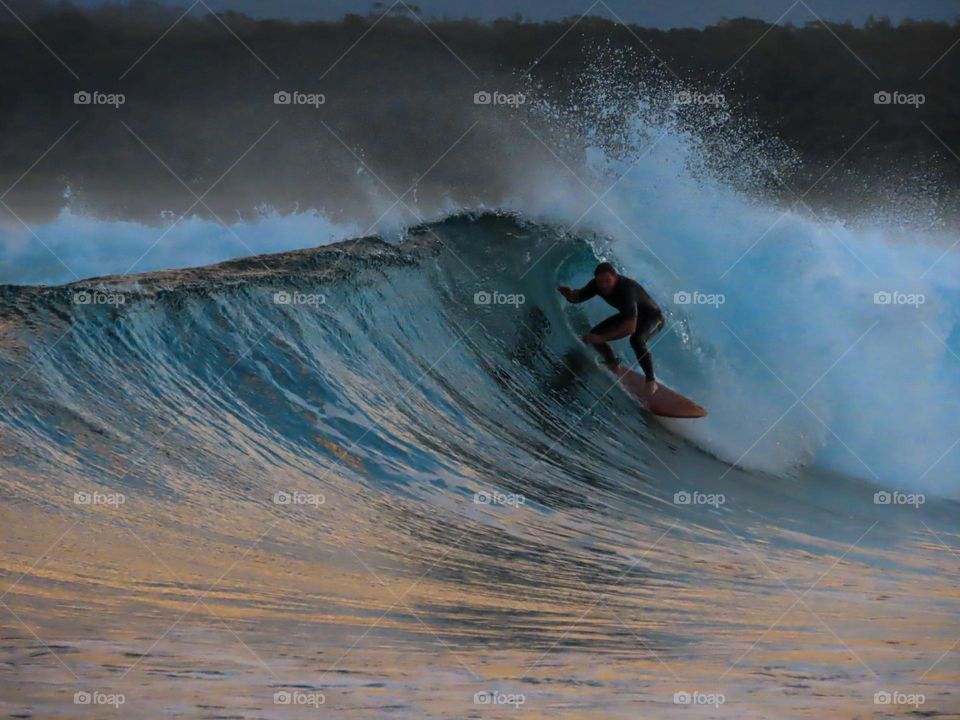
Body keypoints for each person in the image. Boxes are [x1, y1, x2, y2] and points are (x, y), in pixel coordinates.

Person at [558, 262, 664, 394]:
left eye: (608, 281)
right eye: (600, 281)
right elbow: (578, 297)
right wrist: (569, 295)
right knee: (594, 334)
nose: (604, 285)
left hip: (653, 318)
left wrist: (601, 338)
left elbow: (630, 328)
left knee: (636, 340)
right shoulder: (596, 285)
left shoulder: (626, 289)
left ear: (615, 277)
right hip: (630, 316)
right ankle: (613, 364)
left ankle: (651, 381)